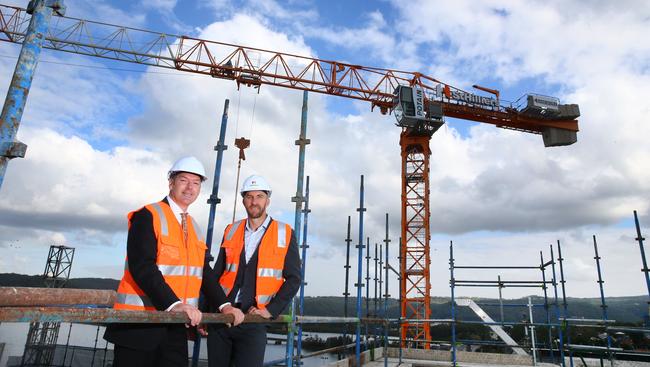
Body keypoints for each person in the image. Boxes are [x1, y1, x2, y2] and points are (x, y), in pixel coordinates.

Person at [104, 156, 223, 367]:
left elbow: (204, 273)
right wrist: (175, 305)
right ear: (171, 183)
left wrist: (225, 306)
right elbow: (142, 267)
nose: (190, 188)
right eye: (184, 180)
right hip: (138, 326)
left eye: (196, 183)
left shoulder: (194, 227)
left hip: (175, 328)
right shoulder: (148, 215)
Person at [206, 174, 301, 367]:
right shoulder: (231, 229)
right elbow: (216, 274)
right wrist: (205, 311)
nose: (254, 201)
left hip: (254, 320)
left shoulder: (284, 232)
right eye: (249, 196)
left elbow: (294, 278)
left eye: (259, 196)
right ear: (243, 200)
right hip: (222, 316)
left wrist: (270, 310)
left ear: (268, 200)